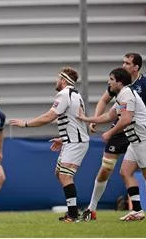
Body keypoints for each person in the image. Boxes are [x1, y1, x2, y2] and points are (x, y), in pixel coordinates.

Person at [82, 53, 146, 221]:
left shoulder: (141, 86)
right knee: (120, 171)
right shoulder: (120, 89)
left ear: (136, 67)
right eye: (123, 62)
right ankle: (98, 209)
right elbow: (109, 112)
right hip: (128, 132)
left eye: (127, 63)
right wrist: (88, 119)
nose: (123, 65)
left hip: (142, 134)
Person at [10, 67, 89, 223]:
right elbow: (74, 120)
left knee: (66, 176)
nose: (56, 81)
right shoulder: (75, 94)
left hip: (75, 142)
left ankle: (73, 215)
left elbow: (49, 116)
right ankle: (73, 211)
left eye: (58, 78)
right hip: (71, 141)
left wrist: (26, 123)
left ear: (64, 80)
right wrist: (63, 138)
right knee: (60, 174)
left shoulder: (64, 93)